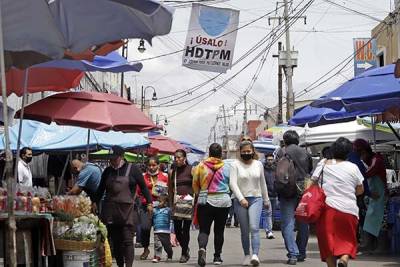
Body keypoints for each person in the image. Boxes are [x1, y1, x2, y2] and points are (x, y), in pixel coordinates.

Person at [94, 146, 152, 267]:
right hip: (111, 211)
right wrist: (94, 202)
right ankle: (120, 265)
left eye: (114, 158)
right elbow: (100, 189)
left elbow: (143, 187)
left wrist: (150, 202)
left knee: (127, 240)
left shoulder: (133, 169)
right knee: (116, 241)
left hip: (128, 211)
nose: (112, 161)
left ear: (121, 157)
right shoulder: (107, 171)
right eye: (110, 159)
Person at [312, 137, 364, 267]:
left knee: (328, 243)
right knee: (348, 239)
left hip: (327, 209)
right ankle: (344, 259)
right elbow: (360, 190)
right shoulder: (353, 167)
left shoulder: (324, 164)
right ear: (349, 152)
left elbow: (312, 183)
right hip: (349, 210)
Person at [229, 140, 270, 267]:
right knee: (244, 230)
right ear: (240, 153)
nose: (247, 153)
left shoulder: (258, 164)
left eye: (249, 151)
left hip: (256, 199)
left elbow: (263, 183)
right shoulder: (235, 164)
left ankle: (255, 255)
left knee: (254, 227)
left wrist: (266, 199)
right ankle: (247, 254)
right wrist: (241, 198)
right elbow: (232, 183)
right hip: (240, 200)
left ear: (253, 151)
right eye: (244, 151)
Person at [276, 130, 312, 265]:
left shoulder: (281, 152)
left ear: (285, 141)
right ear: (297, 140)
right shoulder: (305, 153)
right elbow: (309, 170)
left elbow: (278, 172)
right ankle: (301, 252)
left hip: (286, 191)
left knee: (288, 223)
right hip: (303, 190)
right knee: (303, 223)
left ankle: (293, 253)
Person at [192, 143, 231, 266]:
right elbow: (232, 183)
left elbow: (195, 184)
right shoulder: (227, 167)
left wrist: (200, 194)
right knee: (219, 231)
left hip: (206, 201)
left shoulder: (201, 166)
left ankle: (202, 248)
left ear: (209, 153)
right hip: (223, 202)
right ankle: (217, 257)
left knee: (204, 230)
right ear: (221, 154)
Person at [354, 139, 387, 253]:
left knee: (381, 222)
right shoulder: (370, 161)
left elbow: (368, 174)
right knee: (371, 220)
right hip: (374, 197)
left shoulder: (376, 160)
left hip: (380, 196)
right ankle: (369, 245)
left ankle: (380, 247)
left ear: (364, 151)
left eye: (361, 154)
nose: (361, 157)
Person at [136, 156, 169, 260]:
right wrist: (144, 202)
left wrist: (165, 201)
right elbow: (138, 192)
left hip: (160, 207)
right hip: (146, 207)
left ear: (158, 165)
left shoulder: (165, 176)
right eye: (149, 165)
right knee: (145, 228)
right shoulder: (142, 177)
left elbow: (169, 191)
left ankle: (157, 254)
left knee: (158, 231)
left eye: (154, 165)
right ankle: (146, 249)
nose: (151, 167)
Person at [168, 149, 193, 263]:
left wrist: (194, 199)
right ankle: (185, 247)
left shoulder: (191, 169)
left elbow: (196, 185)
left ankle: (184, 254)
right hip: (177, 203)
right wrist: (170, 203)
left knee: (186, 229)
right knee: (177, 230)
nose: (177, 159)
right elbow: (170, 189)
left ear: (184, 158)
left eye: (179, 157)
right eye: (175, 158)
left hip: (188, 203)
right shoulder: (173, 172)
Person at [261, 153, 278, 239]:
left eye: (271, 159)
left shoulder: (276, 169)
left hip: (275, 195)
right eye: (268, 160)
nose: (270, 161)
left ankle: (270, 230)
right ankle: (269, 231)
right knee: (268, 213)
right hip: (266, 195)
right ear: (266, 160)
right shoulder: (262, 169)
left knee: (273, 214)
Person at [152, 195, 173, 263]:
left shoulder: (168, 210)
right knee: (157, 244)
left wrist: (172, 229)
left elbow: (171, 219)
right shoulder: (155, 210)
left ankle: (169, 254)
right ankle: (157, 256)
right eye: (157, 201)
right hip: (157, 231)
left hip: (165, 231)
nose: (158, 203)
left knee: (167, 245)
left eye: (160, 201)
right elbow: (151, 217)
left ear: (165, 203)